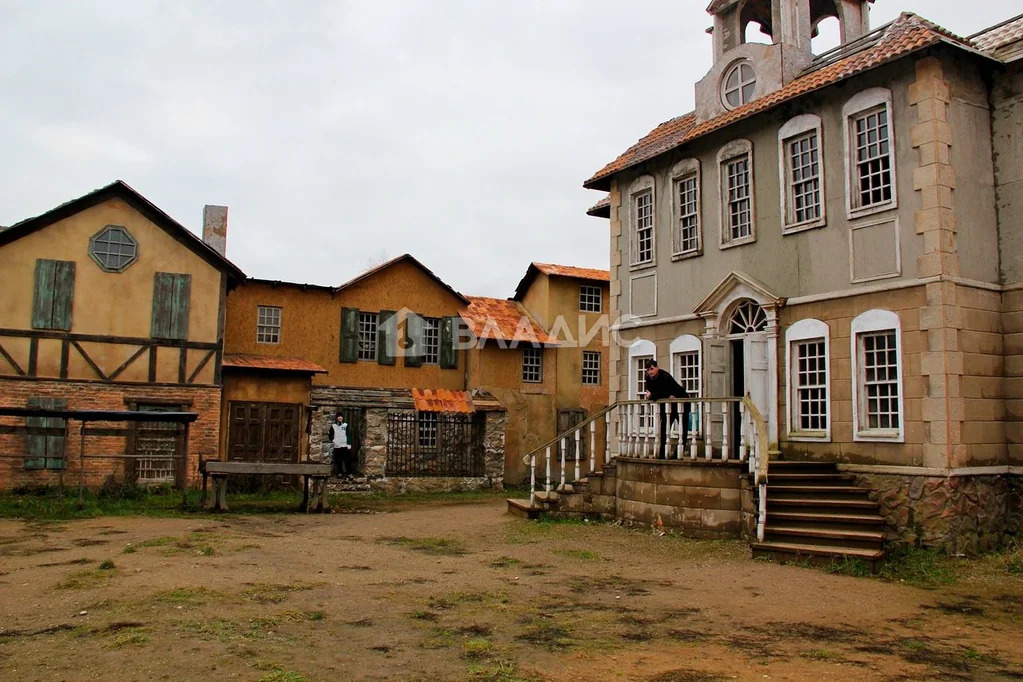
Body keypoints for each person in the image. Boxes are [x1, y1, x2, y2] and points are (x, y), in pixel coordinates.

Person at [644, 359, 691, 459]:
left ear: (657, 368)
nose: (650, 372)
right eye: (648, 370)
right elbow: (653, 393)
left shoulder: (665, 376)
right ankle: (662, 454)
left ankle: (678, 453)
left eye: (652, 369)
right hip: (667, 406)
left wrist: (652, 395)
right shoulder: (648, 378)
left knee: (683, 430)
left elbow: (663, 393)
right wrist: (653, 395)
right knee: (664, 428)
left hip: (682, 401)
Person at [327, 413, 355, 477]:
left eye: (341, 416)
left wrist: (349, 443)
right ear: (336, 417)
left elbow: (348, 434)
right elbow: (330, 434)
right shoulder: (333, 426)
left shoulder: (345, 425)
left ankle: (349, 473)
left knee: (347, 460)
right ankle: (340, 472)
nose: (340, 417)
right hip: (337, 446)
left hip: (345, 445)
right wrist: (333, 440)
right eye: (339, 416)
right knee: (338, 460)